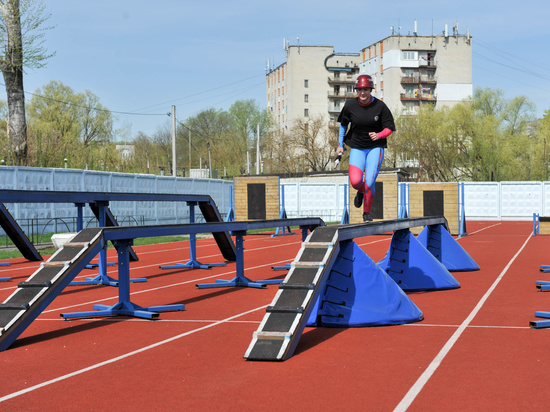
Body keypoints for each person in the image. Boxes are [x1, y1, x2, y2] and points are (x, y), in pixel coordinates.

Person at [336, 74, 396, 222]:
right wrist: (340, 145)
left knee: (369, 182)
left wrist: (380, 135)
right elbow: (343, 125)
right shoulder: (350, 106)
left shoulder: (380, 106)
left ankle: (367, 213)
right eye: (360, 89)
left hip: (375, 147)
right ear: (356, 90)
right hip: (357, 147)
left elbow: (389, 128)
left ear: (371, 90)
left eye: (366, 89)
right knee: (356, 182)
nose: (363, 92)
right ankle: (362, 192)